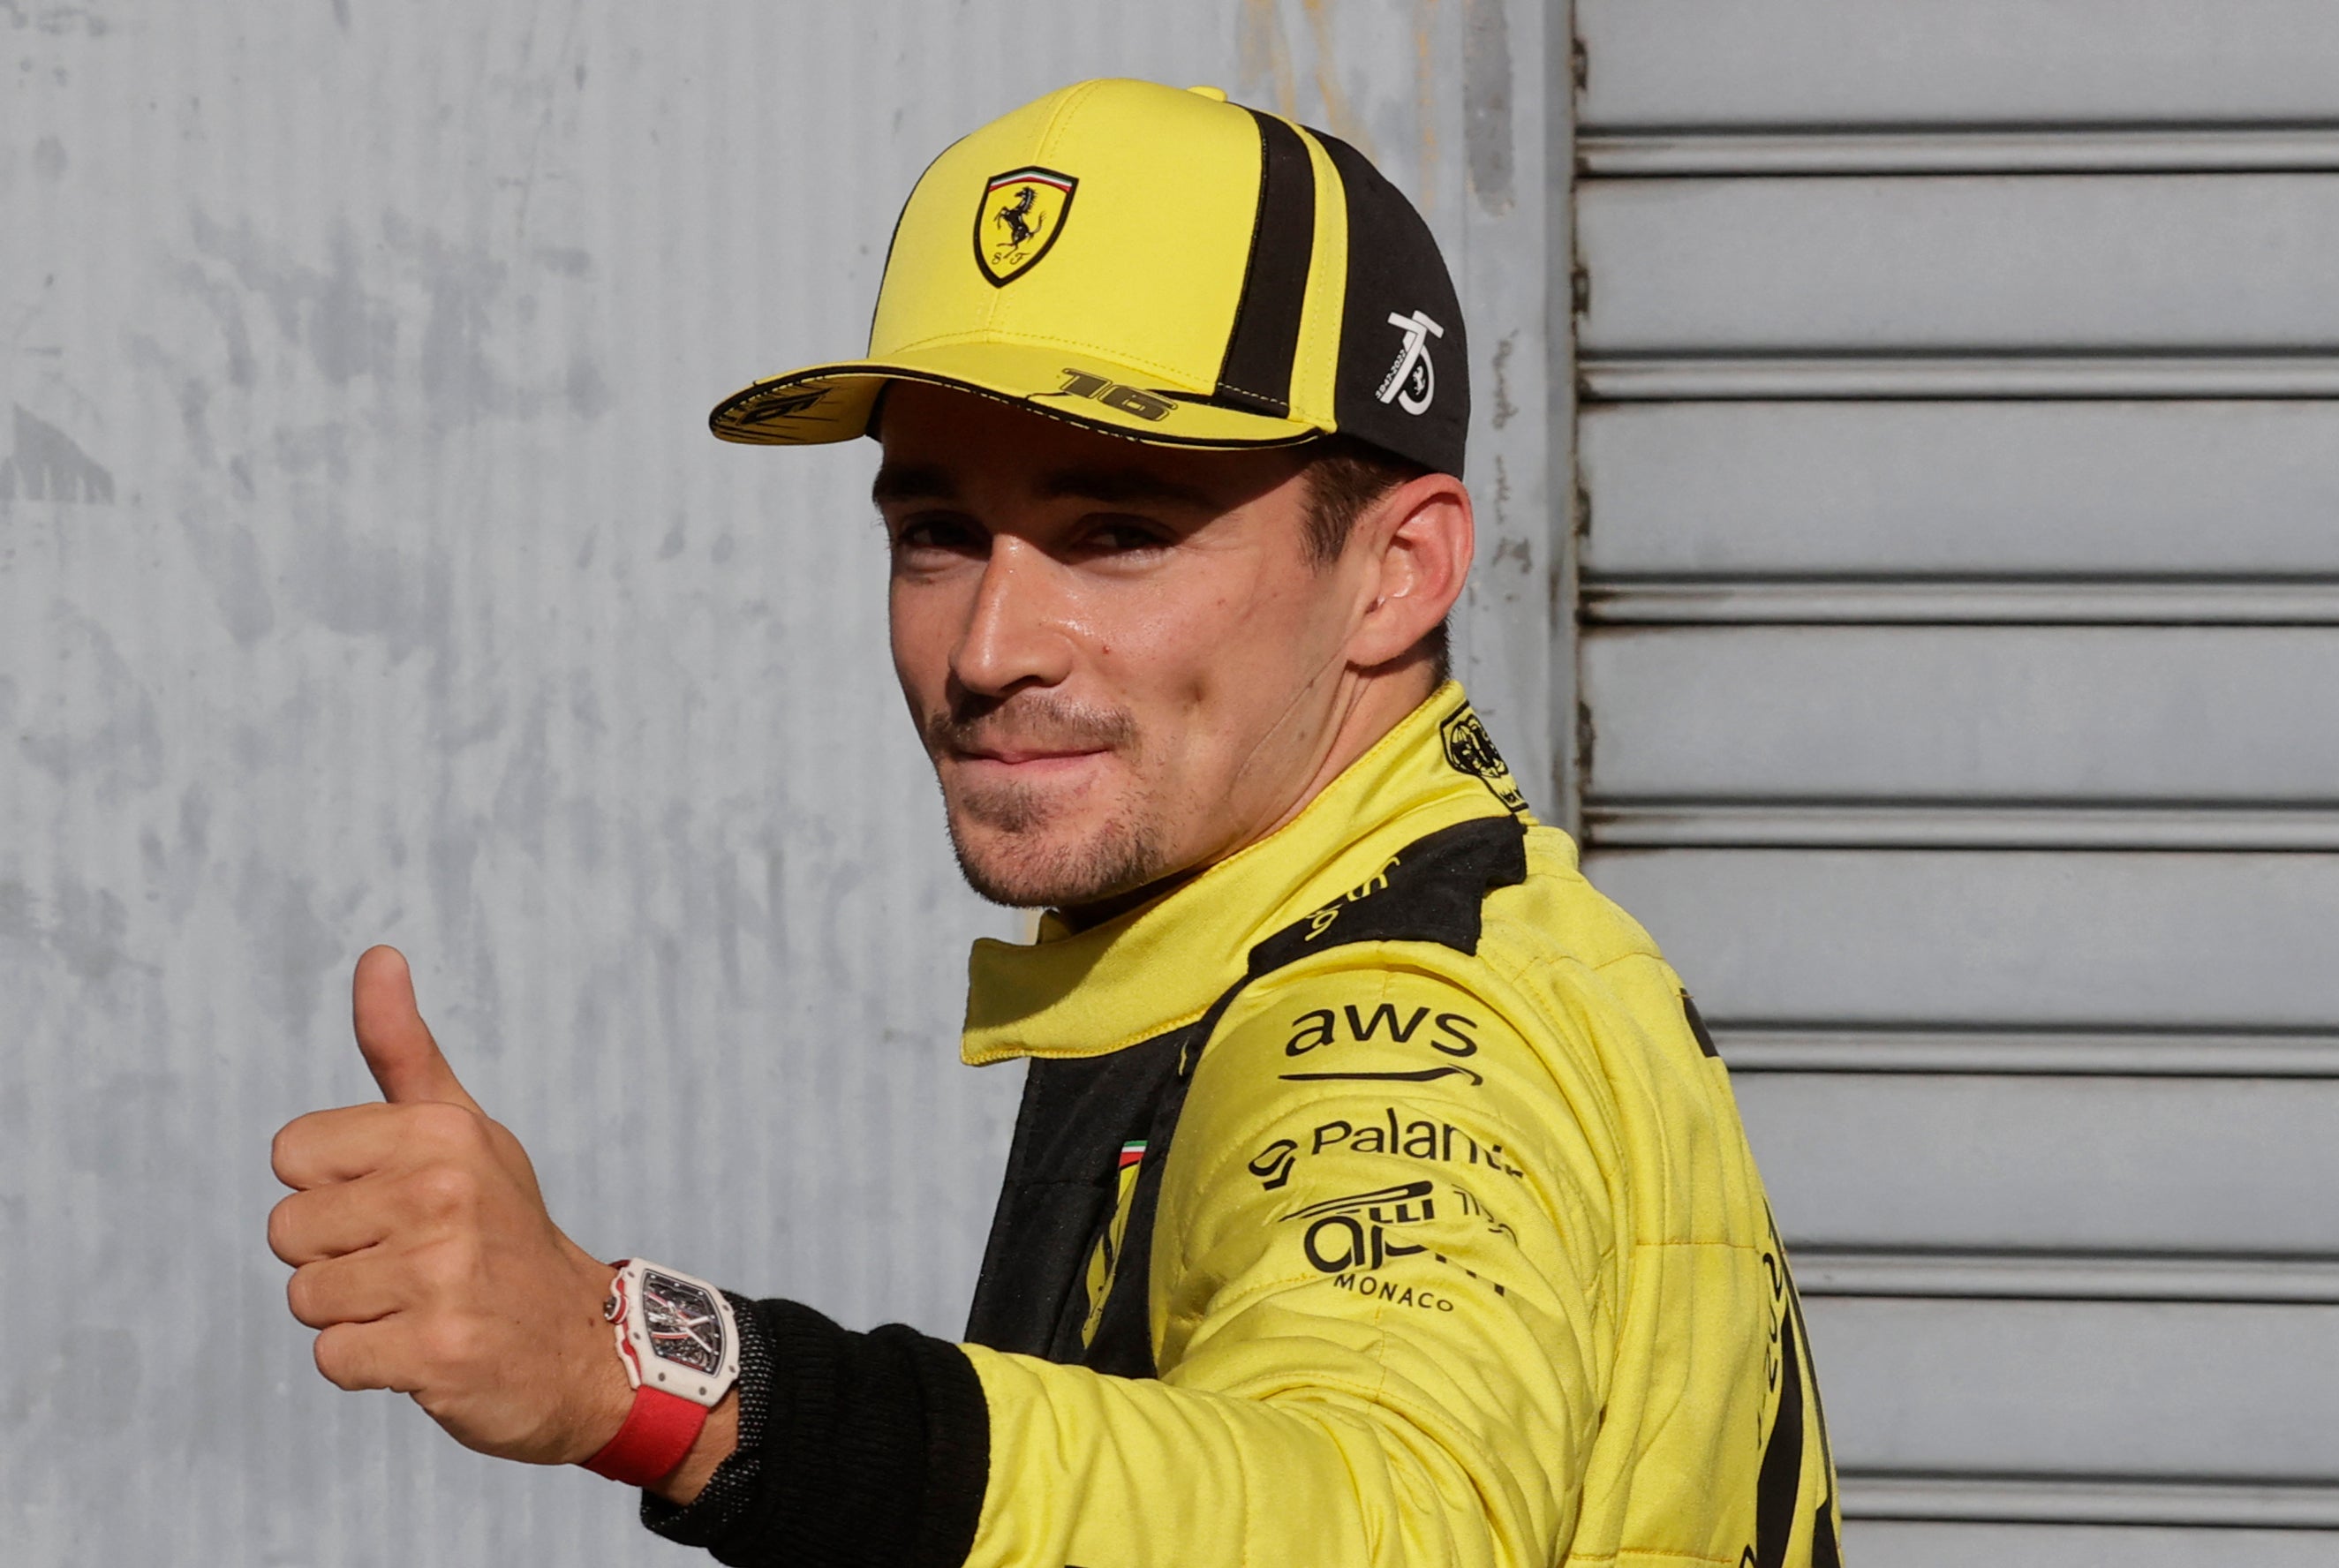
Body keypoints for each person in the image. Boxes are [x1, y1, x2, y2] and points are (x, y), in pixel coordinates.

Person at [268, 79, 1841, 1568]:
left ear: (1398, 572)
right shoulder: (1274, 925)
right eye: (940, 531)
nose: (989, 645)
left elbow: (1376, 1514)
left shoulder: (1393, 1012)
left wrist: (648, 1373)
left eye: (1118, 533)